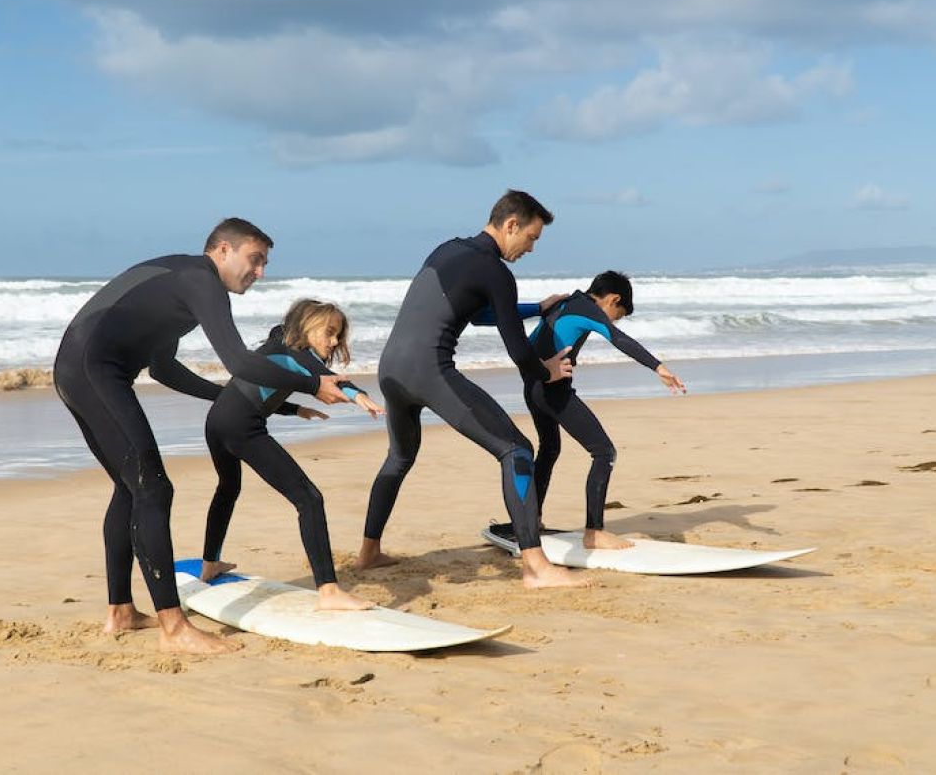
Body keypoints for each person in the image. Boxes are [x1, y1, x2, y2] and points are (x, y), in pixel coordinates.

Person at [53, 218, 350, 654]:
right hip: (93, 372)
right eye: (255, 259)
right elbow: (241, 362)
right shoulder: (201, 282)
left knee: (131, 488)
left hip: (77, 369)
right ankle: (174, 629)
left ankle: (120, 611)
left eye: (265, 263)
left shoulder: (182, 282)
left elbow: (163, 368)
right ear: (223, 250)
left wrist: (223, 398)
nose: (260, 272)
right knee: (154, 489)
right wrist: (312, 384)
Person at [358, 190, 586, 588]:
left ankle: (369, 553)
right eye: (531, 238)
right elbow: (518, 349)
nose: (531, 248)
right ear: (510, 224)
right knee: (516, 449)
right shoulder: (496, 271)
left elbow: (479, 314)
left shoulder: (447, 251)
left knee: (399, 458)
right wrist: (546, 372)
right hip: (429, 371)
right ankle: (535, 566)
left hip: (391, 370)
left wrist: (537, 307)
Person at [202, 299, 385, 610]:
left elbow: (255, 388)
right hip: (242, 427)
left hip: (217, 421)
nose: (334, 341)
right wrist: (359, 395)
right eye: (329, 332)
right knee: (309, 499)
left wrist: (294, 409)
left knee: (228, 489)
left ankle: (210, 564)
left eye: (338, 335)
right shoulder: (295, 352)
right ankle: (329, 592)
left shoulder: (277, 346)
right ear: (305, 327)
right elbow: (323, 376)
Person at [492, 270, 685, 551]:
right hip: (552, 391)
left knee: (549, 449)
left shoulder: (565, 303)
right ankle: (594, 531)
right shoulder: (590, 310)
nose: (611, 319)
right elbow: (619, 339)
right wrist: (659, 367)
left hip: (533, 386)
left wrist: (538, 377)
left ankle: (530, 519)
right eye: (616, 313)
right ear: (613, 299)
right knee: (604, 452)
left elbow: (532, 343)